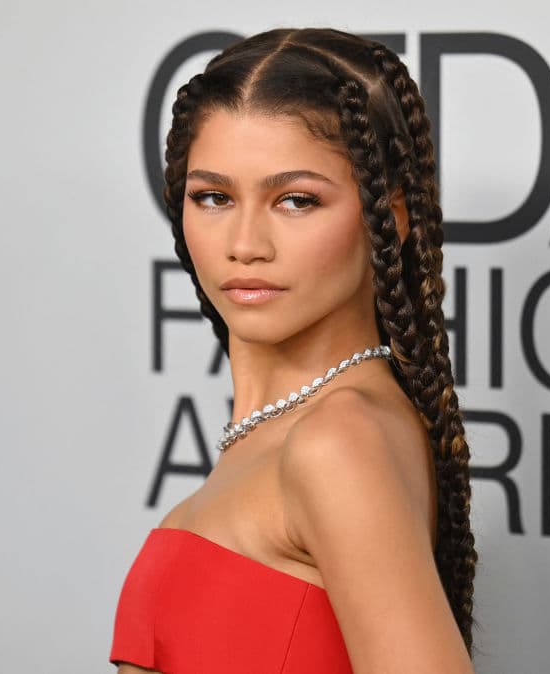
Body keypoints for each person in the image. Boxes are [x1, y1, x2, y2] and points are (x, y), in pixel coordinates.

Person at [110, 27, 479, 673]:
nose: (245, 243)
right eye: (214, 197)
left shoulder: (337, 441)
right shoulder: (294, 431)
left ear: (386, 220)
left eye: (296, 200)